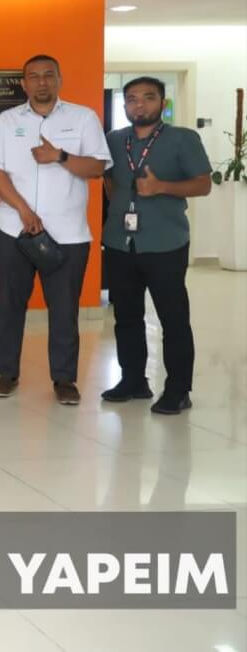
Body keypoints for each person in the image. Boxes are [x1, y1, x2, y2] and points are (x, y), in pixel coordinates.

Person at [0, 54, 112, 405]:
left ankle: (64, 379)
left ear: (59, 79)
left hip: (68, 233)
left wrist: (61, 157)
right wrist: (23, 209)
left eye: (48, 75)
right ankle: (6, 373)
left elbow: (97, 168)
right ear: (23, 84)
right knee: (10, 304)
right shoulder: (7, 120)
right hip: (13, 228)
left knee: (65, 308)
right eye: (34, 76)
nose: (41, 82)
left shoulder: (83, 118)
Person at [102, 76, 212, 415]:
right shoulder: (114, 139)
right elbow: (109, 180)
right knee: (126, 316)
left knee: (173, 318)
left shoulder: (183, 138)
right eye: (132, 98)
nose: (140, 104)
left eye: (148, 97)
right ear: (125, 105)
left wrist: (161, 187)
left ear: (162, 104)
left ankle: (178, 390)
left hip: (165, 243)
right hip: (120, 243)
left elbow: (203, 184)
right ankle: (133, 380)